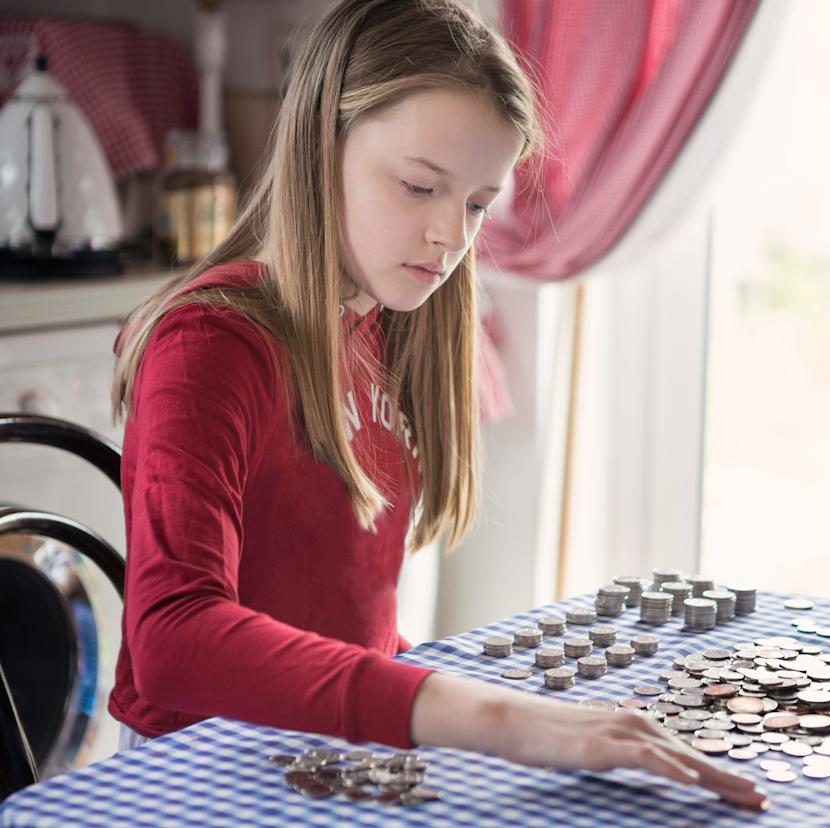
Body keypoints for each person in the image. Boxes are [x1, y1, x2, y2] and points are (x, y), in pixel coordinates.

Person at [106, 0, 767, 813]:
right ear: (322, 146)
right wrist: (487, 714)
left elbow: (347, 638)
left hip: (330, 757)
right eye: (420, 186)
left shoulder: (387, 326)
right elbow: (173, 641)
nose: (451, 237)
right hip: (196, 773)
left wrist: (512, 708)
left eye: (478, 203)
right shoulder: (212, 343)